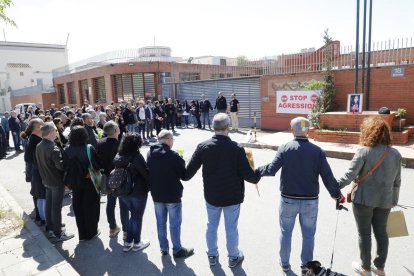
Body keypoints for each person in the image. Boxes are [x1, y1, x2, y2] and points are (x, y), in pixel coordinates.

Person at [256, 117, 343, 275]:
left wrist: (256, 171)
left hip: (288, 199)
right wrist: (336, 195)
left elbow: (271, 169)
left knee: (285, 232)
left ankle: (285, 265)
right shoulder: (317, 151)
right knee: (309, 234)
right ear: (308, 131)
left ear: (292, 130)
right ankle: (306, 267)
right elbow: (327, 177)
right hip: (310, 201)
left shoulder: (285, 148)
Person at [183, 113, 261, 268]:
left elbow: (187, 174)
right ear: (228, 128)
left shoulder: (203, 147)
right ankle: (233, 257)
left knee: (211, 225)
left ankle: (212, 254)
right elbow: (250, 176)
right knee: (231, 228)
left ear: (213, 127)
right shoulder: (236, 148)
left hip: (212, 196)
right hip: (232, 197)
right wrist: (260, 172)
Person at [337, 116, 401, 276]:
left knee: (364, 234)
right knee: (382, 232)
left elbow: (349, 176)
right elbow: (397, 181)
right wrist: (394, 200)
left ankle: (365, 268)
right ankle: (379, 268)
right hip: (385, 199)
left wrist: (334, 186)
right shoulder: (395, 153)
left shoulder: (364, 151)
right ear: (386, 133)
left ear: (368, 132)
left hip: (364, 200)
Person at [147, 130, 194, 258]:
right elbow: (183, 174)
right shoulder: (173, 155)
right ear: (168, 139)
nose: (172, 142)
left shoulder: (150, 153)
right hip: (172, 195)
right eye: (172, 139)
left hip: (157, 194)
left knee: (160, 223)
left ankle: (164, 248)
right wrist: (181, 160)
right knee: (174, 224)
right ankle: (177, 249)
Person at [36, 122, 74, 243]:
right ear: (51, 132)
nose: (56, 133)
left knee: (50, 205)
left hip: (46, 180)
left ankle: (51, 228)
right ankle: (58, 233)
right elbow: (61, 166)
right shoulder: (52, 147)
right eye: (55, 131)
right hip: (56, 181)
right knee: (56, 207)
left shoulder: (39, 145)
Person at [113, 133, 150, 252]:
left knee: (132, 217)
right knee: (136, 217)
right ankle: (137, 243)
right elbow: (146, 174)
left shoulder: (119, 155)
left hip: (123, 191)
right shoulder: (136, 156)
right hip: (137, 191)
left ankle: (128, 242)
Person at [63, 126, 101, 241]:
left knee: (78, 207)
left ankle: (82, 234)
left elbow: (64, 167)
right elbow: (97, 165)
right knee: (91, 208)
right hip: (89, 183)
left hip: (75, 184)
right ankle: (92, 232)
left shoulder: (67, 150)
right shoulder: (89, 148)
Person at [96, 121, 129, 239]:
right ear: (115, 130)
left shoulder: (100, 143)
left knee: (111, 203)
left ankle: (112, 228)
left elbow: (97, 161)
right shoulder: (121, 144)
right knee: (123, 205)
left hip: (107, 176)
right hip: (120, 177)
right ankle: (126, 231)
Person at [23, 118, 46, 226]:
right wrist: (37, 166)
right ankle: (41, 218)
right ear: (36, 128)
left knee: (39, 194)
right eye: (41, 125)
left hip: (37, 172)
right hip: (36, 172)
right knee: (39, 195)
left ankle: (40, 216)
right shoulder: (34, 140)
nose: (43, 127)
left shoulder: (37, 138)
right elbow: (27, 158)